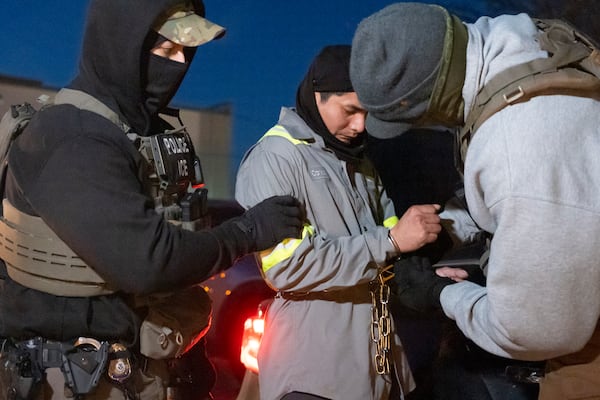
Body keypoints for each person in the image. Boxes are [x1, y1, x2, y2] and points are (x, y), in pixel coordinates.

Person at [0, 0, 304, 399]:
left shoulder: (139, 131)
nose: (178, 63)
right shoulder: (71, 136)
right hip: (77, 379)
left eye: (185, 52)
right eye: (164, 49)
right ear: (119, 44)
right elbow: (149, 261)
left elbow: (184, 227)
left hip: (146, 369)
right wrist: (249, 230)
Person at [349, 3, 600, 399]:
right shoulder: (523, 47)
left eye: (415, 115)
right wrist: (448, 229)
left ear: (432, 93)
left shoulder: (517, 146)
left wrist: (441, 294)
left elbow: (533, 330)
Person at [235, 45, 444, 400]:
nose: (360, 125)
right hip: (313, 375)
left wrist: (419, 274)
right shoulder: (276, 156)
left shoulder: (356, 159)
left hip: (381, 369)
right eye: (350, 110)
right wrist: (391, 241)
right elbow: (287, 266)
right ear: (318, 96)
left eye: (367, 113)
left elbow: (389, 245)